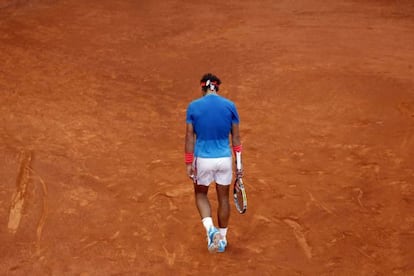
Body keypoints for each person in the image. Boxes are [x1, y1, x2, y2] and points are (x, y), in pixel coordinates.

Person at [184, 73, 243, 253]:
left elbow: (189, 137)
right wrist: (239, 165)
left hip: (203, 159)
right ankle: (222, 239)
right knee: (223, 198)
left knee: (200, 194)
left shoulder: (193, 107)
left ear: (203, 88)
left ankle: (211, 229)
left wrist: (188, 162)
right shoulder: (230, 106)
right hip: (224, 159)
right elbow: (236, 138)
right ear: (217, 87)